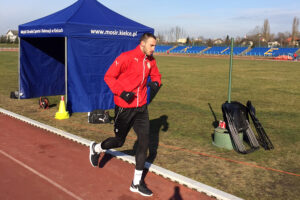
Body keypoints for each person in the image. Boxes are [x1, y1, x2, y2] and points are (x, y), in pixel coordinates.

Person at [89, 33, 161, 197]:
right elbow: (109, 77)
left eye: (155, 45)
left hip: (141, 107)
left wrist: (155, 82)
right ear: (142, 44)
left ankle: (136, 183)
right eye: (151, 45)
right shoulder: (126, 57)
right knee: (119, 141)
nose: (153, 48)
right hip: (124, 108)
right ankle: (96, 148)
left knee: (144, 142)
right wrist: (121, 93)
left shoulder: (151, 61)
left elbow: (156, 74)